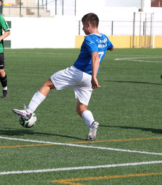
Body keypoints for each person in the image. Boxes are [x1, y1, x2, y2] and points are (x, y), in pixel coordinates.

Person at [13, 13, 114, 141]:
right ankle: (92, 123)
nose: (83, 29)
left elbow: (95, 56)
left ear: (88, 24)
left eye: (83, 25)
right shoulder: (104, 38)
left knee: (47, 84)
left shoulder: (89, 38)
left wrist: (95, 76)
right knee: (81, 108)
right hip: (88, 79)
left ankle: (29, 111)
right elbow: (112, 47)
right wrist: (94, 74)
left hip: (77, 72)